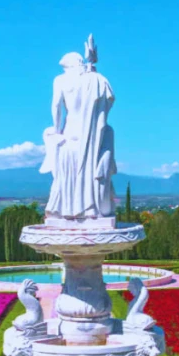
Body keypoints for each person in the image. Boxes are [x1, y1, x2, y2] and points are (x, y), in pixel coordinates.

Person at [40, 36, 116, 220]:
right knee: (88, 172)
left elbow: (56, 107)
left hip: (70, 134)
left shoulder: (60, 81)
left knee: (68, 178)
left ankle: (67, 209)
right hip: (90, 135)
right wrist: (93, 65)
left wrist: (57, 130)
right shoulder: (94, 80)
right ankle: (90, 208)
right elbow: (109, 98)